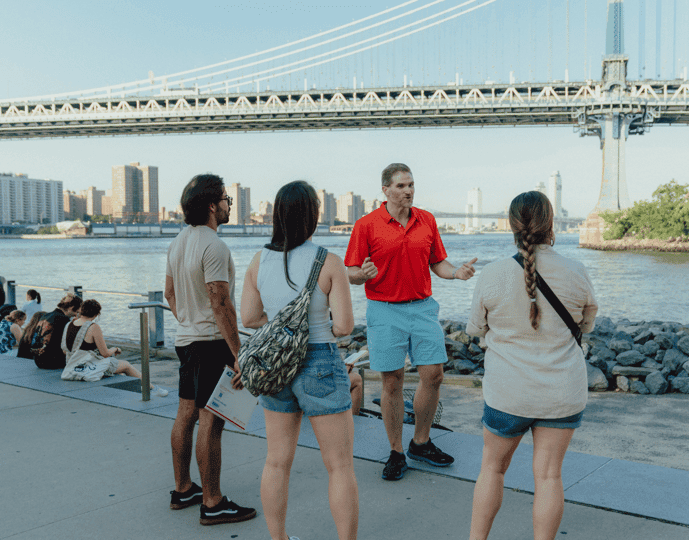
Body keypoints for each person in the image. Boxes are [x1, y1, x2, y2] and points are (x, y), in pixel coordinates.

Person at [465, 191, 598, 540]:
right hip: (561, 393)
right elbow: (586, 325)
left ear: (511, 226)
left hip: (508, 394)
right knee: (550, 476)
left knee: (492, 469)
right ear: (551, 224)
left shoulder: (492, 274)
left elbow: (476, 328)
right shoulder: (576, 271)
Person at [241, 180, 359, 540]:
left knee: (277, 461)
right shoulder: (330, 262)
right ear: (314, 215)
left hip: (275, 365)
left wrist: (282, 326)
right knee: (339, 466)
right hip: (320, 361)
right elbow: (344, 326)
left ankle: (279, 538)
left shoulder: (258, 261)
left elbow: (248, 318)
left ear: (277, 215)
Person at [344, 162, 477, 481]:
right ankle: (395, 451)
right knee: (392, 381)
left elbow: (438, 263)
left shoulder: (427, 220)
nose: (408, 191)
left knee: (434, 375)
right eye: (401, 186)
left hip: (422, 308)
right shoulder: (366, 225)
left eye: (411, 185)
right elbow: (350, 273)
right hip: (385, 309)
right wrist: (362, 275)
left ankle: (421, 441)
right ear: (385, 189)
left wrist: (456, 273)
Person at [164, 173, 255, 526]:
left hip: (186, 340)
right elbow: (220, 301)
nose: (229, 204)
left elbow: (170, 294)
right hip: (211, 343)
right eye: (226, 199)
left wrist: (188, 321)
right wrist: (239, 353)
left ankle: (184, 488)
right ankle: (213, 502)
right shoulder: (214, 245)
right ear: (212, 205)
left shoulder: (178, 242)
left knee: (186, 413)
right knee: (211, 421)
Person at [61, 299, 168, 396]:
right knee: (126, 365)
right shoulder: (93, 327)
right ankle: (151, 389)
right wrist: (115, 349)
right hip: (87, 368)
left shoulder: (69, 324)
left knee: (117, 369)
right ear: (97, 314)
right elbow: (105, 353)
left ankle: (135, 388)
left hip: (71, 366)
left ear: (81, 310)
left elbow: (65, 350)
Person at [32, 294, 83, 369]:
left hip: (38, 360)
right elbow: (70, 343)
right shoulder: (63, 319)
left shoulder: (45, 315)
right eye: (77, 312)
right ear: (71, 308)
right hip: (53, 361)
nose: (76, 315)